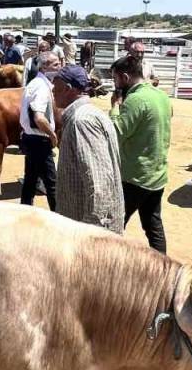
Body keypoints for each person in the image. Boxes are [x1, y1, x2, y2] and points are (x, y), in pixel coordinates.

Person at [109, 54, 173, 253]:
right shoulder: (161, 95)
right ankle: (163, 264)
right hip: (157, 173)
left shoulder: (134, 100)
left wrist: (115, 107)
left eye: (115, 79)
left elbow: (116, 132)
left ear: (125, 77)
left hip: (134, 176)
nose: (115, 84)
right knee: (153, 225)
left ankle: (109, 264)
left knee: (113, 225)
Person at [51, 66, 123, 232]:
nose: (53, 91)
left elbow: (99, 185)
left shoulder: (82, 121)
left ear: (68, 89)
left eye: (56, 87)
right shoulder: (90, 114)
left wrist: (91, 233)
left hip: (85, 231)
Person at [19, 51, 62, 208]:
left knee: (30, 179)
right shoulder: (41, 88)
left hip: (30, 138)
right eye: (56, 65)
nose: (60, 67)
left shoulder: (35, 83)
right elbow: (38, 117)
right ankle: (57, 215)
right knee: (52, 183)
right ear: (44, 67)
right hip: (39, 140)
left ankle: (25, 209)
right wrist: (52, 135)